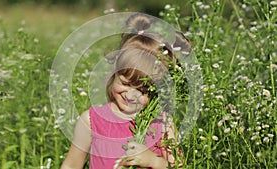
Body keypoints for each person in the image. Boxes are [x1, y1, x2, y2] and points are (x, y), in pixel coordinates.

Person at [61, 13, 191, 169]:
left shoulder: (163, 124)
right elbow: (72, 164)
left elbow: (180, 167)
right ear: (116, 69)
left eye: (142, 90)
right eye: (125, 83)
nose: (131, 95)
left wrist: (155, 161)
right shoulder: (91, 120)